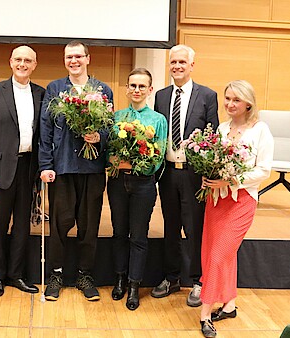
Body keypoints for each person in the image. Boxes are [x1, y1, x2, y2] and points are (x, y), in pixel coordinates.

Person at [39, 40, 113, 301]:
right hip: (63, 168)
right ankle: (56, 274)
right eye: (69, 57)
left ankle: (85, 274)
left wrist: (99, 138)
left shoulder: (103, 90)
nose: (74, 61)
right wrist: (45, 165)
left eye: (78, 56)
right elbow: (45, 131)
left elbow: (110, 126)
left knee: (89, 225)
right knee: (59, 224)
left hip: (92, 170)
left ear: (88, 59)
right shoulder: (55, 89)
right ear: (64, 60)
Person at [198, 80, 273, 337]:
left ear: (248, 103)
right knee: (215, 254)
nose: (229, 104)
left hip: (241, 202)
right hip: (216, 199)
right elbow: (214, 160)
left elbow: (263, 170)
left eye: (236, 100)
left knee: (218, 256)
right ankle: (229, 304)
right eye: (227, 98)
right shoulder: (221, 128)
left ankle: (205, 314)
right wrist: (208, 176)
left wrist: (231, 180)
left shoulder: (261, 130)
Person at [152, 44, 219, 307]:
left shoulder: (207, 95)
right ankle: (171, 278)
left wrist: (208, 173)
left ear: (192, 65)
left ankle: (199, 281)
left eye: (182, 62)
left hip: (194, 176)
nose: (177, 66)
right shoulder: (160, 95)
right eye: (173, 62)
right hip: (168, 173)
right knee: (170, 227)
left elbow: (212, 136)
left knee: (194, 230)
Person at [0, 46, 45, 297]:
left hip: (28, 169)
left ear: (35, 65)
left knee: (22, 227)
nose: (23, 64)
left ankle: (16, 274)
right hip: (0, 170)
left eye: (28, 60)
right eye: (18, 59)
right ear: (10, 62)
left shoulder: (41, 93)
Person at [107, 68, 167, 310]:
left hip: (143, 184)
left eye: (142, 86)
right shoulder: (116, 117)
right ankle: (120, 279)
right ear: (126, 88)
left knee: (138, 236)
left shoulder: (158, 121)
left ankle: (134, 285)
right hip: (117, 183)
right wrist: (118, 162)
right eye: (132, 85)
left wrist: (129, 162)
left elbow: (158, 157)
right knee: (119, 233)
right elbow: (109, 154)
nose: (136, 90)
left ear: (150, 90)